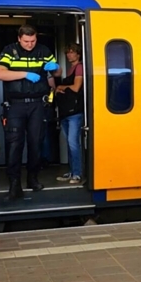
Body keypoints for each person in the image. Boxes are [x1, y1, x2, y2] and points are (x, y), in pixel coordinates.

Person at [0, 25, 58, 200]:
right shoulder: (9, 51)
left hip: (38, 104)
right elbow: (0, 74)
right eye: (26, 41)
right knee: (15, 145)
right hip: (16, 105)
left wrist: (55, 67)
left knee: (35, 143)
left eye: (33, 41)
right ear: (19, 39)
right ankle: (14, 185)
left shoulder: (43, 50)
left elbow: (57, 72)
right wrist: (25, 74)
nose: (30, 44)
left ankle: (32, 179)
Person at [54, 44, 85, 184]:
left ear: (78, 54)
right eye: (68, 52)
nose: (69, 55)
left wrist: (61, 87)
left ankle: (77, 174)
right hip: (66, 112)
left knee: (73, 143)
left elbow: (76, 87)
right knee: (69, 143)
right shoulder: (71, 69)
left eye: (72, 52)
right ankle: (72, 171)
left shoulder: (79, 67)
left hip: (75, 112)